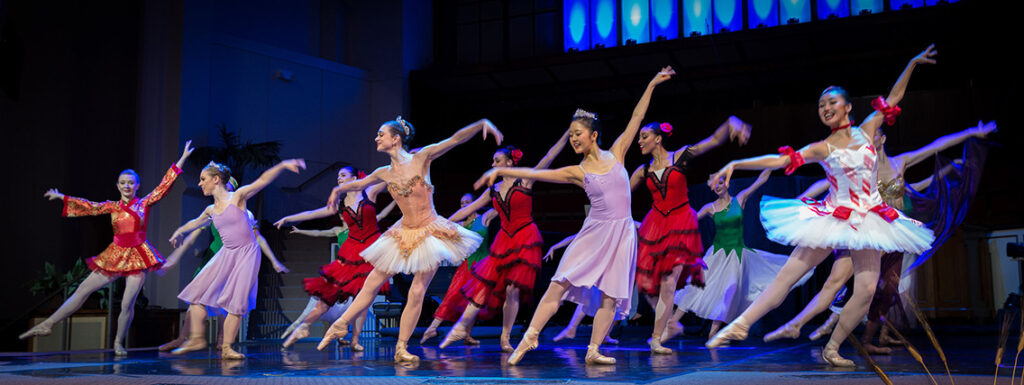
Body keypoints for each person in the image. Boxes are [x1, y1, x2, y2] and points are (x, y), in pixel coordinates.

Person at [704, 45, 939, 367]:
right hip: (833, 215)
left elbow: (894, 98)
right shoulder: (822, 147)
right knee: (788, 276)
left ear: (846, 107)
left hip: (868, 217)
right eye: (821, 104)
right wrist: (736, 162)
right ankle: (739, 325)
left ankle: (833, 347)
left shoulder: (868, 129)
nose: (825, 107)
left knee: (867, 288)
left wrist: (911, 63)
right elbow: (781, 159)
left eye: (832, 102)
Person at [475, 67, 676, 365]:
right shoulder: (577, 171)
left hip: (622, 234)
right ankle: (530, 335)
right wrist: (502, 170)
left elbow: (636, 117)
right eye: (570, 135)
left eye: (577, 134)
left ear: (593, 135)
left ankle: (594, 350)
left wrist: (651, 84)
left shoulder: (618, 152)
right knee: (560, 281)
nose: (573, 139)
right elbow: (537, 173)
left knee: (612, 293)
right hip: (594, 232)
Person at [765, 122, 992, 353]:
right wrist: (800, 201)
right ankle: (799, 324)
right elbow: (825, 182)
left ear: (881, 140)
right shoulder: (859, 165)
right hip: (863, 234)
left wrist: (972, 132)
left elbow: (935, 146)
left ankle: (854, 338)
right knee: (835, 282)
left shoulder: (900, 162)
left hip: (889, 238)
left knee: (884, 291)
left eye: (871, 137)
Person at [316, 116, 500, 363]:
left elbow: (455, 140)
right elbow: (360, 183)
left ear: (396, 138)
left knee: (417, 291)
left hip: (430, 231)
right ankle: (341, 324)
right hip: (402, 231)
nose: (376, 138)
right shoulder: (384, 172)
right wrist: (337, 190)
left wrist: (481, 124)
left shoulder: (421, 158)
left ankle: (401, 347)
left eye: (381, 134)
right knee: (373, 280)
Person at [19, 141, 195, 357]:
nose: (127, 186)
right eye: (123, 183)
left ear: (137, 185)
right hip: (115, 254)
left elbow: (163, 186)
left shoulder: (144, 203)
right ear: (118, 185)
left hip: (138, 255)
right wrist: (62, 197)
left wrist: (182, 158)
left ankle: (118, 343)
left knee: (128, 303)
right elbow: (88, 206)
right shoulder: (112, 206)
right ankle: (49, 323)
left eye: (131, 183)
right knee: (83, 289)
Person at [437, 132, 571, 353]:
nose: (493, 165)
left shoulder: (525, 179)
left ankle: (505, 337)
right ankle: (462, 327)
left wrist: (566, 135)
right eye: (493, 162)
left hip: (525, 237)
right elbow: (468, 210)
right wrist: (440, 223)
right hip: (504, 240)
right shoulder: (494, 190)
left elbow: (548, 157)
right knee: (484, 283)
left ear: (509, 163)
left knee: (512, 290)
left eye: (497, 161)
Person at [628, 116, 751, 353]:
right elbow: (619, 193)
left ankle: (657, 338)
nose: (640, 142)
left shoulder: (680, 156)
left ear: (658, 139)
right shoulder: (642, 171)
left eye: (644, 137)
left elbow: (713, 141)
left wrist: (732, 123)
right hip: (656, 225)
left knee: (668, 283)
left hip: (681, 222)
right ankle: (669, 325)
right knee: (647, 283)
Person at [170, 159, 306, 359]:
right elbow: (195, 222)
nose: (199, 183)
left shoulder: (238, 198)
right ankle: (197, 338)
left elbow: (262, 180)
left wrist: (283, 165)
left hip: (247, 254)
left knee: (236, 303)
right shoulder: (211, 210)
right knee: (196, 294)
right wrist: (179, 231)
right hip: (226, 253)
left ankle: (226, 348)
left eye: (202, 179)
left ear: (216, 180)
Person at [670, 170, 811, 342]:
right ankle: (671, 324)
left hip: (737, 257)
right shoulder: (710, 207)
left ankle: (713, 334)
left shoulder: (740, 199)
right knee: (696, 286)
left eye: (720, 183)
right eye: (715, 186)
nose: (718, 188)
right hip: (716, 255)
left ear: (726, 183)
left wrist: (772, 164)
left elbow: (761, 180)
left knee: (728, 293)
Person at [273, 167, 395, 351]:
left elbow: (390, 175)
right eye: (337, 176)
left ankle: (355, 340)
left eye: (343, 175)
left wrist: (407, 157)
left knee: (364, 298)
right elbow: (311, 214)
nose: (339, 178)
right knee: (329, 292)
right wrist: (289, 218)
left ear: (354, 178)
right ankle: (303, 327)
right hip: (351, 251)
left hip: (373, 250)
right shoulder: (339, 203)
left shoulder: (369, 191)